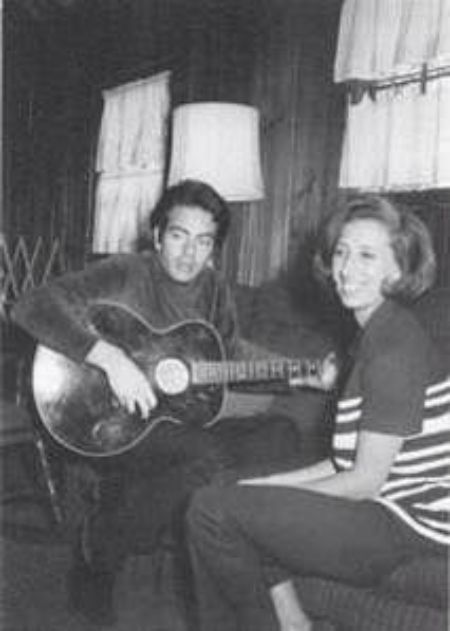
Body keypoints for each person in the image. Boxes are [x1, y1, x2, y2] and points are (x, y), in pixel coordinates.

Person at [11, 179, 307, 626]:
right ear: (156, 235)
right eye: (178, 236)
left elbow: (230, 353)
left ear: (214, 249)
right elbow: (31, 306)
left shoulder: (213, 289)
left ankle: (229, 556)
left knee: (280, 434)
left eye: (203, 241)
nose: (189, 254)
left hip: (178, 420)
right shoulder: (127, 272)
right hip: (104, 418)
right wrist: (110, 359)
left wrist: (296, 371)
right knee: (205, 456)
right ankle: (102, 545)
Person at [186, 195, 450, 631]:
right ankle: (292, 621)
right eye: (342, 252)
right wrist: (261, 486)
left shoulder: (395, 348)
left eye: (367, 256)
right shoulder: (372, 336)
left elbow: (364, 481)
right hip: (383, 507)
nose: (347, 268)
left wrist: (267, 494)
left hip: (410, 524)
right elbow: (343, 462)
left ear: (398, 269)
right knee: (228, 487)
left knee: (212, 510)